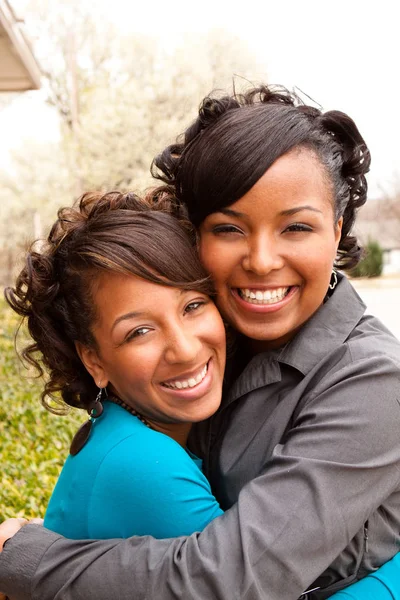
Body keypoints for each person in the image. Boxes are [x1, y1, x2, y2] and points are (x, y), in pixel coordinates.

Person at [1, 85, 400, 600]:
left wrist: (34, 560)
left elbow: (231, 578)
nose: (260, 260)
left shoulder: (372, 381)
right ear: (196, 237)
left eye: (297, 227)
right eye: (229, 228)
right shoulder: (217, 338)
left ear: (337, 228)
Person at [3, 189, 227, 541]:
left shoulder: (123, 433)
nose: (183, 350)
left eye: (193, 306)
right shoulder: (145, 464)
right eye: (139, 332)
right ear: (94, 360)